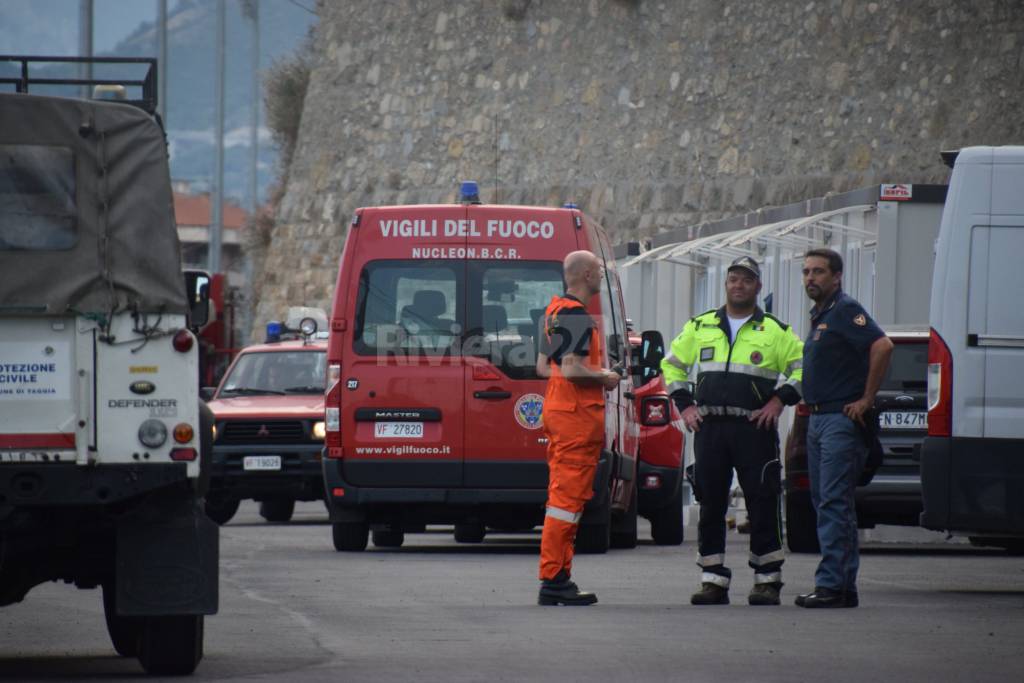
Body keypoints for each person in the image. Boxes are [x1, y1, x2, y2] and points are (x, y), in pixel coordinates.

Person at [661, 256, 804, 606]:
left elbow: (805, 370)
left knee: (762, 501)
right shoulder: (700, 326)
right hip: (710, 428)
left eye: (746, 280)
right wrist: (686, 406)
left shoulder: (776, 331)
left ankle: (767, 580)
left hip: (754, 429)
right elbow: (672, 366)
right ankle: (712, 580)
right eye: (733, 279)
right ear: (725, 285)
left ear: (758, 286)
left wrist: (779, 401)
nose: (738, 285)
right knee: (710, 502)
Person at [796, 248, 893, 609]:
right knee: (825, 502)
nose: (810, 278)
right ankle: (841, 586)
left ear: (836, 276)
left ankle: (832, 585)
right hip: (819, 418)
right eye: (806, 272)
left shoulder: (845, 310)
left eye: (818, 272)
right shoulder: (822, 314)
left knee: (834, 503)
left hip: (840, 419)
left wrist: (867, 398)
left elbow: (882, 346)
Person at [536, 250, 620, 606]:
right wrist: (606, 375)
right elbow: (571, 370)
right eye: (598, 271)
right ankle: (554, 579)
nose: (601, 276)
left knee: (563, 500)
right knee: (566, 502)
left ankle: (557, 576)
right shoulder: (575, 316)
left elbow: (544, 367)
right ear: (586, 275)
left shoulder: (554, 312)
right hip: (575, 420)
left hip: (561, 414)